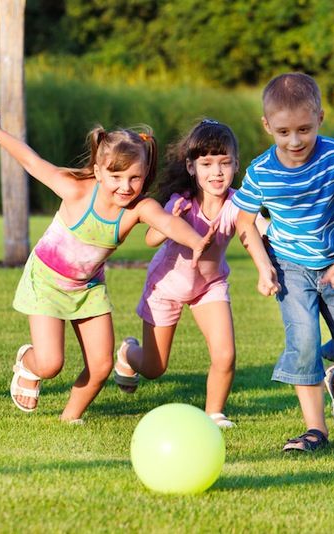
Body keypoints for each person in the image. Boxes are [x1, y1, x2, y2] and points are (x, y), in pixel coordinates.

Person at [0, 102, 215, 424]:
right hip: (46, 282)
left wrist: (196, 240)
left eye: (135, 178)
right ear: (99, 171)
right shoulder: (75, 190)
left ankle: (68, 419)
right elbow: (31, 161)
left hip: (87, 288)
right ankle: (30, 364)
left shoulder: (138, 208)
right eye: (116, 176)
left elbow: (167, 223)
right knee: (50, 363)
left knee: (100, 366)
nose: (125, 187)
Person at [233, 72, 334, 452]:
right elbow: (244, 220)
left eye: (304, 129)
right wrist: (264, 266)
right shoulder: (261, 171)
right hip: (290, 268)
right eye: (283, 132)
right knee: (303, 342)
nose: (295, 140)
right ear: (267, 126)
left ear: (320, 118)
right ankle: (315, 430)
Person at [113, 119, 267, 429]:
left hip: (209, 286)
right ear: (191, 166)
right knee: (155, 368)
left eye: (224, 163)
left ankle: (214, 414)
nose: (217, 172)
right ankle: (128, 353)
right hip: (166, 287)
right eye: (207, 163)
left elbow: (258, 230)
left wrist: (276, 246)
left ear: (236, 164)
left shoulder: (238, 203)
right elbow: (151, 239)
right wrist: (170, 219)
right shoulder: (180, 202)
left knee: (225, 354)